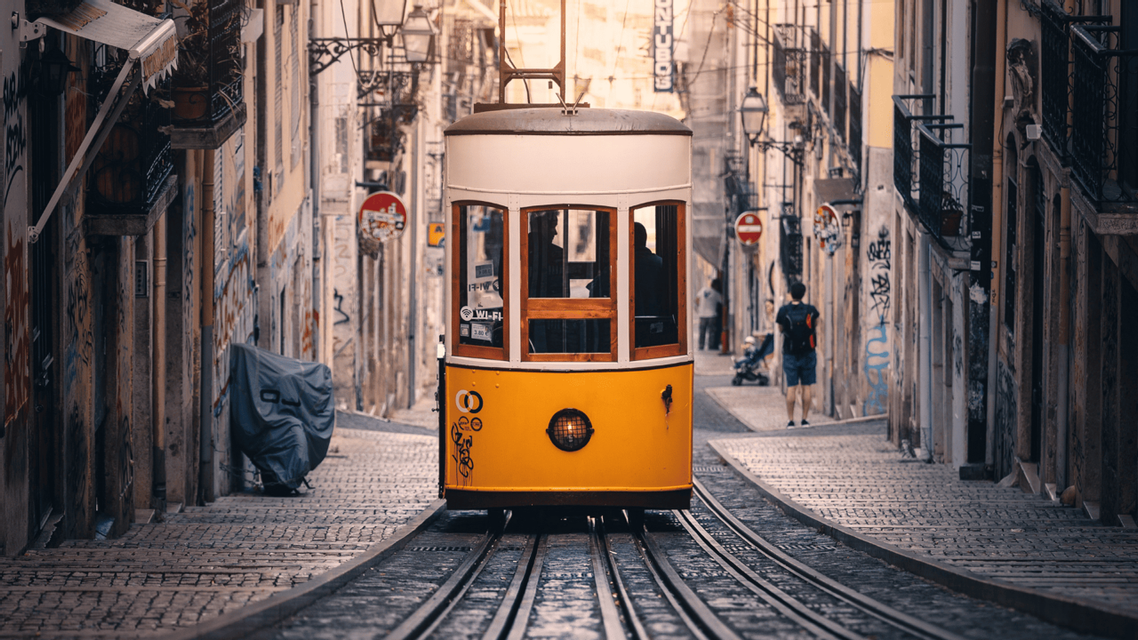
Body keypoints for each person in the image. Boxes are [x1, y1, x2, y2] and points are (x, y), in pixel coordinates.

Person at [776, 281, 821, 427]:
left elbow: (780, 329)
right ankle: (805, 419)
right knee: (806, 386)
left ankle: (790, 420)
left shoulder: (783, 310)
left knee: (792, 387)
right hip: (808, 352)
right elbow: (815, 325)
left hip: (790, 353)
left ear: (790, 293)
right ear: (803, 294)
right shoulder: (811, 310)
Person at [696, 278, 722, 350]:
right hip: (712, 315)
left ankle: (701, 346)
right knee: (711, 332)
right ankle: (711, 346)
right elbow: (723, 302)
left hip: (702, 315)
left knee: (702, 332)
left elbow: (697, 299)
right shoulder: (716, 294)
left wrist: (699, 307)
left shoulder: (703, 290)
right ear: (717, 286)